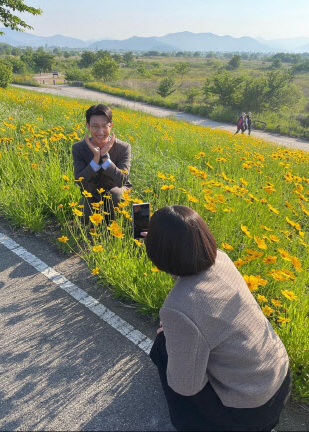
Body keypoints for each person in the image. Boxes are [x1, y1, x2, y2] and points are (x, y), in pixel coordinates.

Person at [144, 205, 291, 431]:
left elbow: (185, 386)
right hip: (279, 382)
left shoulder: (178, 308)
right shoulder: (221, 259)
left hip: (249, 413)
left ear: (155, 252)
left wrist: (176, 338)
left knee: (164, 347)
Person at [72, 104, 132, 222]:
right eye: (95, 126)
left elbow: (122, 180)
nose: (100, 132)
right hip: (92, 192)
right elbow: (80, 181)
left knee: (115, 195)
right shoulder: (79, 148)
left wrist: (105, 158)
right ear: (88, 126)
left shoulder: (123, 147)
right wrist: (95, 158)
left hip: (117, 189)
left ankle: (114, 226)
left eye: (104, 126)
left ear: (111, 126)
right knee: (85, 218)